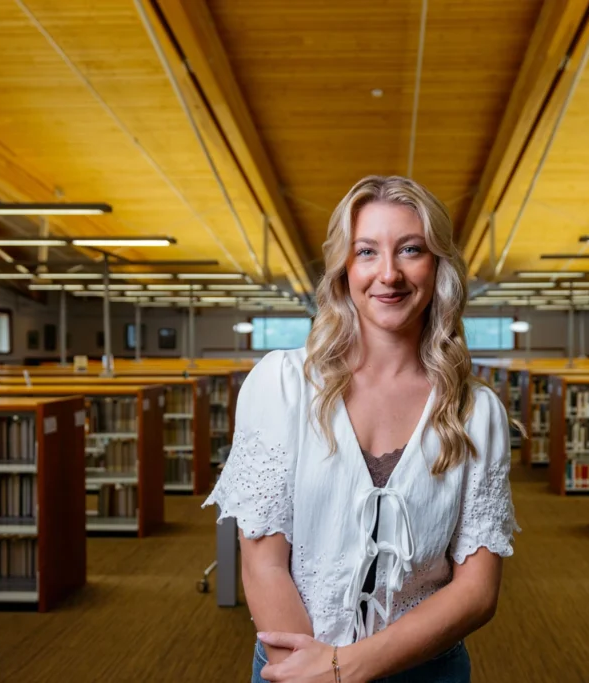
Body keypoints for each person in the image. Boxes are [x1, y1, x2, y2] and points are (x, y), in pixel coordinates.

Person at [204, 175, 518, 683]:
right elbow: (263, 563)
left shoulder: (475, 411)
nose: (388, 274)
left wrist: (346, 669)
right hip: (294, 666)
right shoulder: (280, 385)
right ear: (344, 267)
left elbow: (477, 591)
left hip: (427, 671)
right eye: (367, 251)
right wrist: (314, 674)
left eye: (410, 249)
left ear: (437, 265)